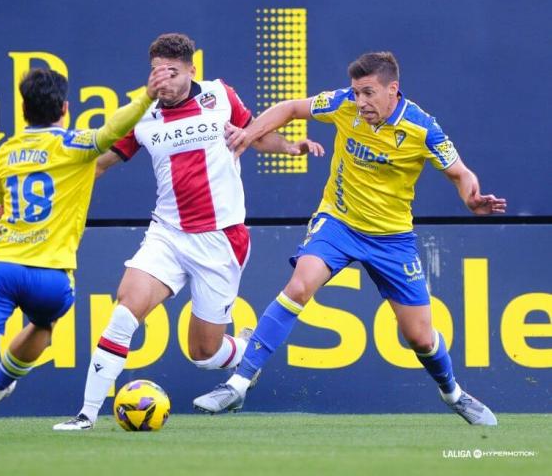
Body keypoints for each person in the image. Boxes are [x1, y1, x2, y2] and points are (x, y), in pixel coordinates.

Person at [193, 51, 506, 426]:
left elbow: (460, 173)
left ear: (393, 90)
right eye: (357, 92)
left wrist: (472, 198)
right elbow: (293, 107)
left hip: (392, 239)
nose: (360, 102)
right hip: (338, 223)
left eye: (369, 93)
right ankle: (240, 383)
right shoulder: (344, 104)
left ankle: (452, 393)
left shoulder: (423, 128)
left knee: (420, 338)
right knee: (299, 285)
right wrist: (250, 132)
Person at [53, 33, 323, 430]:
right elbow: (97, 164)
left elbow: (253, 133)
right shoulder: (141, 114)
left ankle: (244, 351)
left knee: (203, 353)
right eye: (156, 71)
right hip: (167, 234)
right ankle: (85, 415)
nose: (162, 80)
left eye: (172, 72)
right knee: (124, 312)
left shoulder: (219, 96)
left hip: (220, 238)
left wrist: (290, 147)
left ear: (192, 70)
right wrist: (46, 196)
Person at [0, 65, 170, 444]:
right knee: (42, 326)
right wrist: (146, 95)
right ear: (65, 108)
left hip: (2, 268)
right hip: (51, 278)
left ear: (23, 110)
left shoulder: (7, 151)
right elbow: (113, 130)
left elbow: (0, 199)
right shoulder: (74, 146)